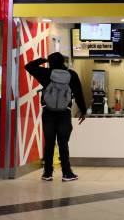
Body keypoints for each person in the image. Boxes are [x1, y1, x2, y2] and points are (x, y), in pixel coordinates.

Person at [25, 52, 87, 182]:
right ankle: (67, 173)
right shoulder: (71, 75)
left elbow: (28, 66)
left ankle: (47, 173)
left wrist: (40, 60)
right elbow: (79, 93)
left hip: (48, 112)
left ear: (50, 62)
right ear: (63, 62)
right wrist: (83, 110)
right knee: (63, 143)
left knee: (49, 144)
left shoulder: (46, 73)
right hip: (65, 113)